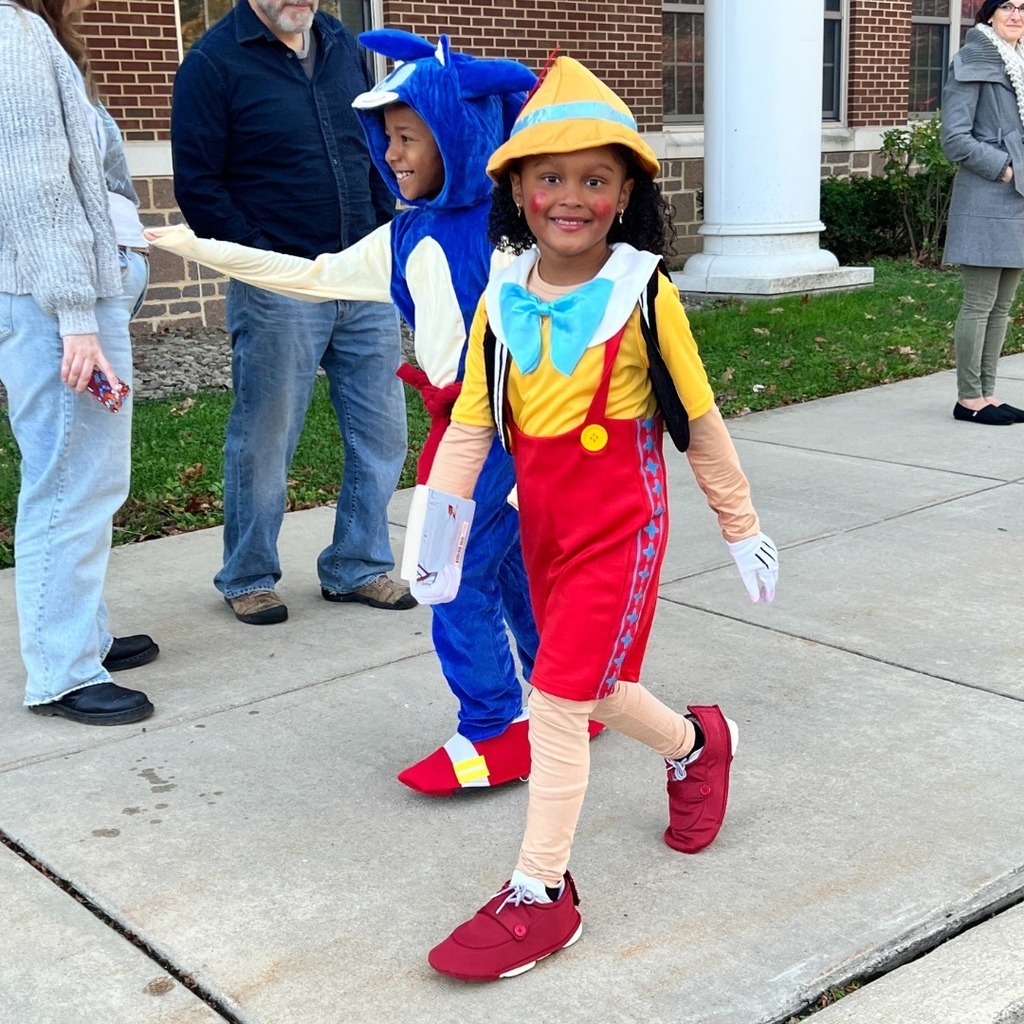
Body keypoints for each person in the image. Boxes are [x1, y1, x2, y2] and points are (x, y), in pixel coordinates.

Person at [148, 31, 604, 795]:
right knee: (509, 572)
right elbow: (313, 275)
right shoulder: (405, 234)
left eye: (405, 137)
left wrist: (554, 451)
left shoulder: (516, 240)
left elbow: (578, 338)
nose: (390, 154)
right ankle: (567, 699)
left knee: (448, 578)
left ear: (455, 133)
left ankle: (494, 732)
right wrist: (199, 247)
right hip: (460, 430)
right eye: (384, 138)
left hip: (514, 437)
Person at [404, 57, 779, 981]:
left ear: (624, 196)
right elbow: (469, 426)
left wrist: (740, 526)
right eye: (550, 177)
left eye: (594, 179)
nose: (570, 197)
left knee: (560, 699)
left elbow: (697, 422)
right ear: (517, 188)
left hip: (622, 529)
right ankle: (697, 743)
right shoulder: (503, 294)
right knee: (598, 685)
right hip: (547, 532)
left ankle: (542, 893)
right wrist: (439, 533)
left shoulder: (644, 293)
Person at [170, 0, 414, 625]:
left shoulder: (341, 45)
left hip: (361, 274)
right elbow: (199, 184)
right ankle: (248, 574)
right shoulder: (213, 62)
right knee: (266, 435)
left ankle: (357, 565)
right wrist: (264, 259)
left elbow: (373, 149)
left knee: (381, 429)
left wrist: (386, 232)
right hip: (279, 284)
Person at [0, 0, 158, 725]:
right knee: (71, 482)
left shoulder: (28, 36)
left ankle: (79, 636)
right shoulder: (15, 31)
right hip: (56, 306)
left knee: (78, 476)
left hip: (54, 300)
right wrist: (76, 316)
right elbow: (37, 184)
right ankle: (62, 672)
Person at [942, 0, 1024, 425]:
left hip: (1018, 201)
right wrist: (1005, 168)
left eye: (1023, 8)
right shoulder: (972, 60)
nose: (1015, 15)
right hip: (987, 196)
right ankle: (968, 398)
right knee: (979, 302)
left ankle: (987, 393)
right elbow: (954, 138)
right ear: (989, 13)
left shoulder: (1019, 63)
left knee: (1003, 305)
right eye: (1007, 6)